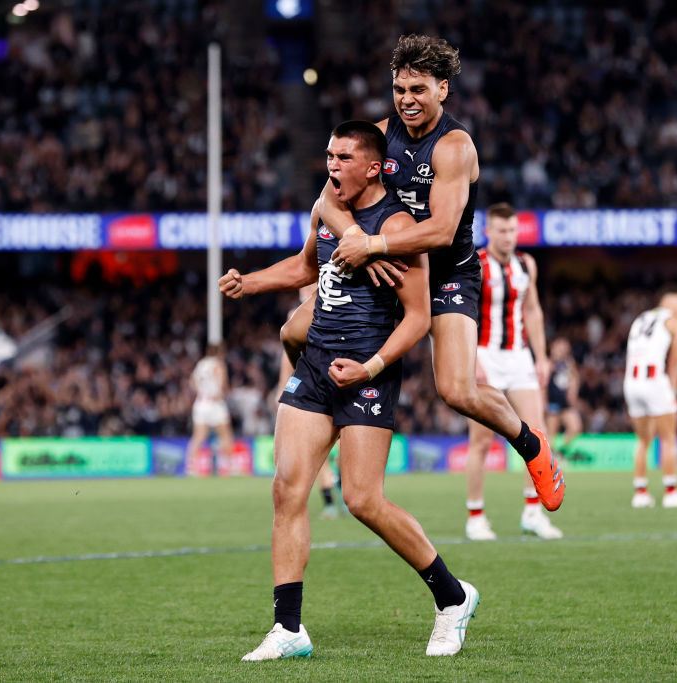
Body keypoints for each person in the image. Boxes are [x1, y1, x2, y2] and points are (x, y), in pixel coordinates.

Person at [220, 121, 479, 660]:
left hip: (367, 370)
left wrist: (372, 366)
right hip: (315, 365)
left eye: (342, 157)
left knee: (363, 500)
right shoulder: (327, 210)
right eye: (329, 155)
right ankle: (288, 630)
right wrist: (251, 282)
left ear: (374, 165)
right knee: (287, 489)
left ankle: (452, 598)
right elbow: (302, 266)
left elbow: (418, 317)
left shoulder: (400, 225)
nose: (332, 165)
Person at [312, 34, 564, 511]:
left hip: (449, 273)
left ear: (443, 89)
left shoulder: (454, 147)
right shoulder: (376, 136)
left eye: (418, 89)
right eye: (399, 88)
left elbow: (444, 230)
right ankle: (307, 438)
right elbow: (328, 197)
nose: (407, 100)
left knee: (456, 390)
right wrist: (360, 244)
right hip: (394, 268)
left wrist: (374, 243)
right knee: (298, 329)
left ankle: (532, 446)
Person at [464, 203, 562, 541]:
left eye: (513, 230)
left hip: (519, 356)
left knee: (537, 434)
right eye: (502, 230)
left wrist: (541, 356)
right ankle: (475, 516)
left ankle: (533, 512)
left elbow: (533, 311)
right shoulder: (475, 264)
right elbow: (465, 313)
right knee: (481, 441)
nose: (508, 237)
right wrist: (471, 358)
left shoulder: (526, 264)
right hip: (485, 354)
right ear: (488, 231)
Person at [624, 284, 677, 508]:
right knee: (668, 438)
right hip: (654, 381)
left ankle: (640, 493)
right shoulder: (675, 321)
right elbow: (676, 360)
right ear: (671, 300)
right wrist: (672, 390)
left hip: (632, 382)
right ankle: (671, 493)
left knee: (643, 440)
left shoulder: (641, 318)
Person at [277, 283, 343, 520]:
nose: (303, 290)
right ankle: (331, 500)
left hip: (337, 382)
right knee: (319, 451)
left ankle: (341, 495)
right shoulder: (297, 315)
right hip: (314, 386)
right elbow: (289, 356)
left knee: (342, 447)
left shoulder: (335, 304)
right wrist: (285, 387)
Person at [185, 343, 233, 476]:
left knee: (198, 437)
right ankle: (228, 468)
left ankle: (191, 468)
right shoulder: (218, 364)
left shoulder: (200, 364)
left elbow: (192, 382)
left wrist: (202, 392)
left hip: (201, 402)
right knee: (225, 435)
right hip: (215, 403)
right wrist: (222, 393)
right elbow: (223, 384)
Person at [545, 338, 582, 458]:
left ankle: (562, 451)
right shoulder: (549, 363)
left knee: (575, 427)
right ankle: (551, 457)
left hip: (566, 402)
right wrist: (543, 401)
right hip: (552, 401)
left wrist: (573, 392)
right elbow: (543, 384)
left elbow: (574, 378)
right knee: (551, 433)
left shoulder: (569, 363)